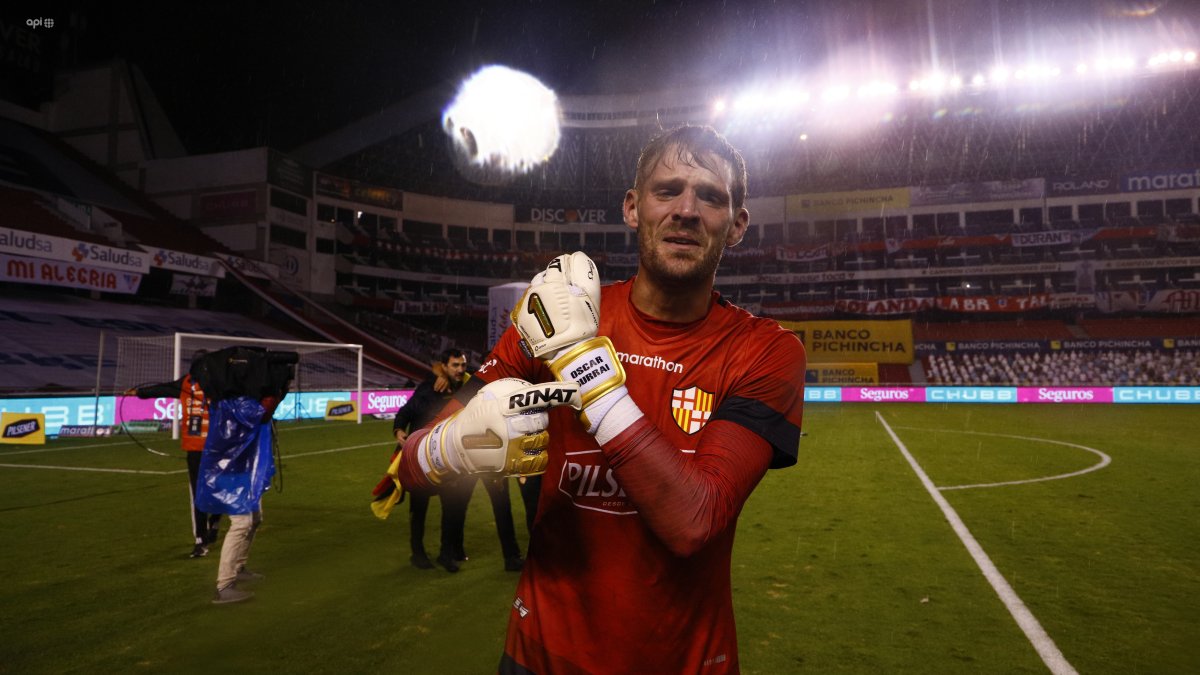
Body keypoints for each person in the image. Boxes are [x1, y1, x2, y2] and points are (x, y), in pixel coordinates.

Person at [396, 125, 806, 672]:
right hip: (538, 656)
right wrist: (446, 448)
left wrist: (581, 366)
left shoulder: (766, 351)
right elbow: (407, 468)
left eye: (710, 197)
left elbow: (694, 521)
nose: (686, 210)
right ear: (633, 208)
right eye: (667, 191)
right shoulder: (549, 317)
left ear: (736, 225)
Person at [390, 349, 524, 573]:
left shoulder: (473, 386)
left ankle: (457, 553)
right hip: (430, 456)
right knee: (433, 507)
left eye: (463, 365)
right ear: (444, 367)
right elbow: (407, 412)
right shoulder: (432, 388)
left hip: (477, 457)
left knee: (463, 506)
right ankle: (426, 553)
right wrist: (399, 430)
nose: (461, 369)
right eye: (455, 365)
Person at [124, 349, 221, 559]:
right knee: (198, 493)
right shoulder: (185, 383)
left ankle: (214, 521)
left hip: (216, 446)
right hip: (194, 448)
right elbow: (164, 388)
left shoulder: (219, 383)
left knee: (217, 488)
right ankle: (200, 540)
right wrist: (139, 392)